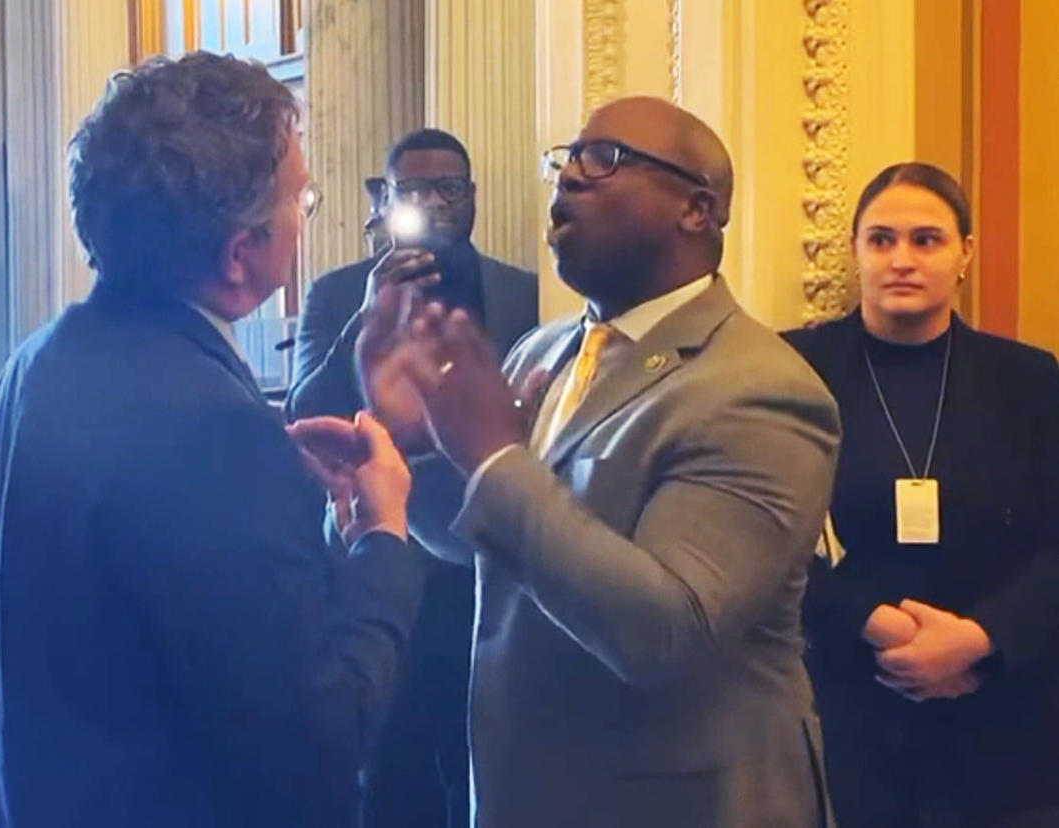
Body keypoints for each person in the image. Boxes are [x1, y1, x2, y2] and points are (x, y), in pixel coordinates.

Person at [350, 95, 842, 826]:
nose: (568, 178)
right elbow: (495, 542)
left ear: (696, 210)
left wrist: (492, 455)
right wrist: (414, 446)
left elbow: (664, 633)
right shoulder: (546, 351)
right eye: (565, 159)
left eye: (604, 159)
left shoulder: (761, 391)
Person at [0, 52, 426, 827]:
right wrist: (382, 535)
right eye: (300, 198)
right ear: (241, 255)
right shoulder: (214, 433)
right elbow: (322, 740)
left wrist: (267, 495)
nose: (304, 214)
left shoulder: (39, 361)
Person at [783, 162, 1059, 827]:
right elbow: (767, 543)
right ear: (855, 251)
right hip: (848, 710)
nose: (901, 258)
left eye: (927, 240)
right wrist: (874, 624)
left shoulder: (1028, 379)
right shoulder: (791, 372)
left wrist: (978, 638)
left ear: (965, 253)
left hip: (1004, 720)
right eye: (881, 240)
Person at [286, 128, 537, 828]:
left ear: (474, 198)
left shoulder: (523, 292)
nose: (433, 203)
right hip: (383, 556)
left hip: (485, 560)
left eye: (449, 188)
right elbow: (304, 412)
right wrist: (365, 320)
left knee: (479, 754)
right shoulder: (339, 293)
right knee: (389, 767)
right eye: (413, 191)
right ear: (385, 202)